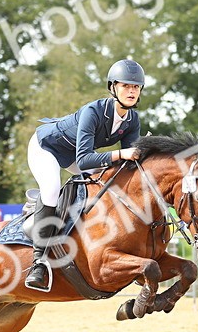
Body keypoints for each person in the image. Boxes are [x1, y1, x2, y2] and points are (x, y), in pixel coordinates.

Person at [24, 58, 146, 290]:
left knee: (106, 181)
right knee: (51, 190)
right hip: (46, 147)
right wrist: (122, 154)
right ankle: (38, 262)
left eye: (136, 87)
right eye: (126, 86)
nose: (131, 91)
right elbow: (84, 159)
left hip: (74, 154)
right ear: (113, 88)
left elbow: (130, 163)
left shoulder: (132, 120)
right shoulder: (93, 111)